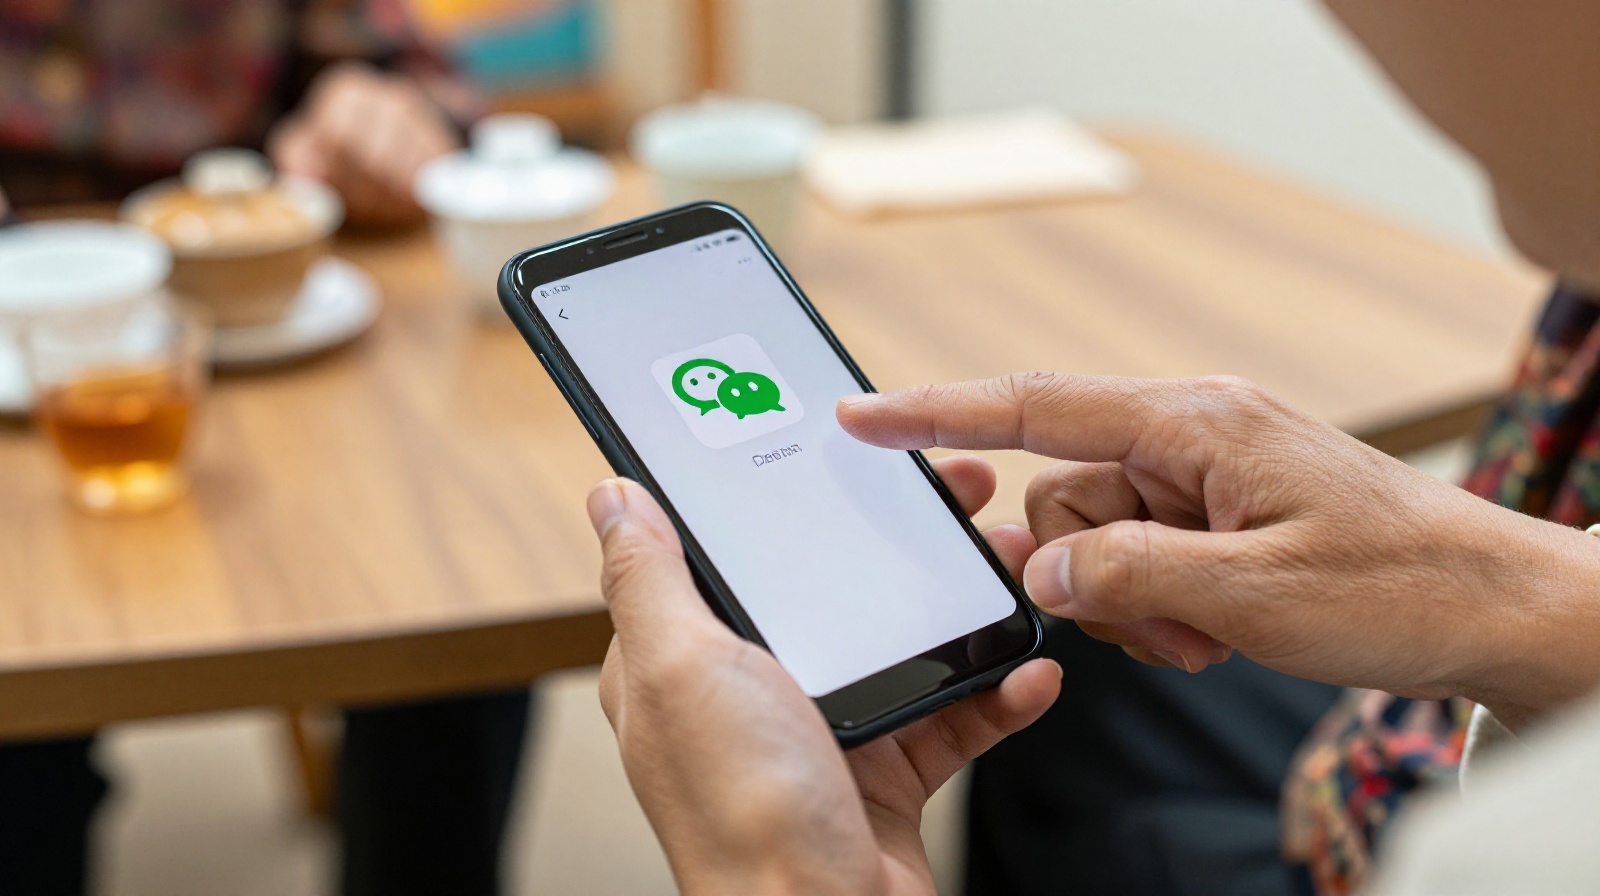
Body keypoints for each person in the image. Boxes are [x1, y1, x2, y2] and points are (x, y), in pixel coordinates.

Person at [580, 372, 1600, 894]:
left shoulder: (1498, 855)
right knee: (1087, 638)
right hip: (1471, 724)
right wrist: (1507, 594)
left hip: (1427, 818)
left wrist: (778, 876)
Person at [0, 3, 538, 894]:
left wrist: (384, 114)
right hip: (29, 400)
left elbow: (422, 82)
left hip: (265, 355)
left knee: (457, 614)